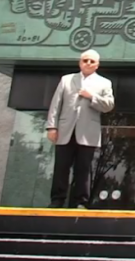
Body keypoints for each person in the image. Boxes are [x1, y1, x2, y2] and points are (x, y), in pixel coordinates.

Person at [45, 49, 115, 209]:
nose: (88, 63)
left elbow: (109, 106)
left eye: (92, 61)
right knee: (61, 167)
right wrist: (52, 127)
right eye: (85, 60)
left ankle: (81, 202)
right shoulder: (66, 80)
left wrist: (92, 96)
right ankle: (57, 200)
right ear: (80, 62)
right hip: (65, 130)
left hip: (88, 133)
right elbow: (56, 105)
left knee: (83, 169)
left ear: (97, 65)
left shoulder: (104, 83)